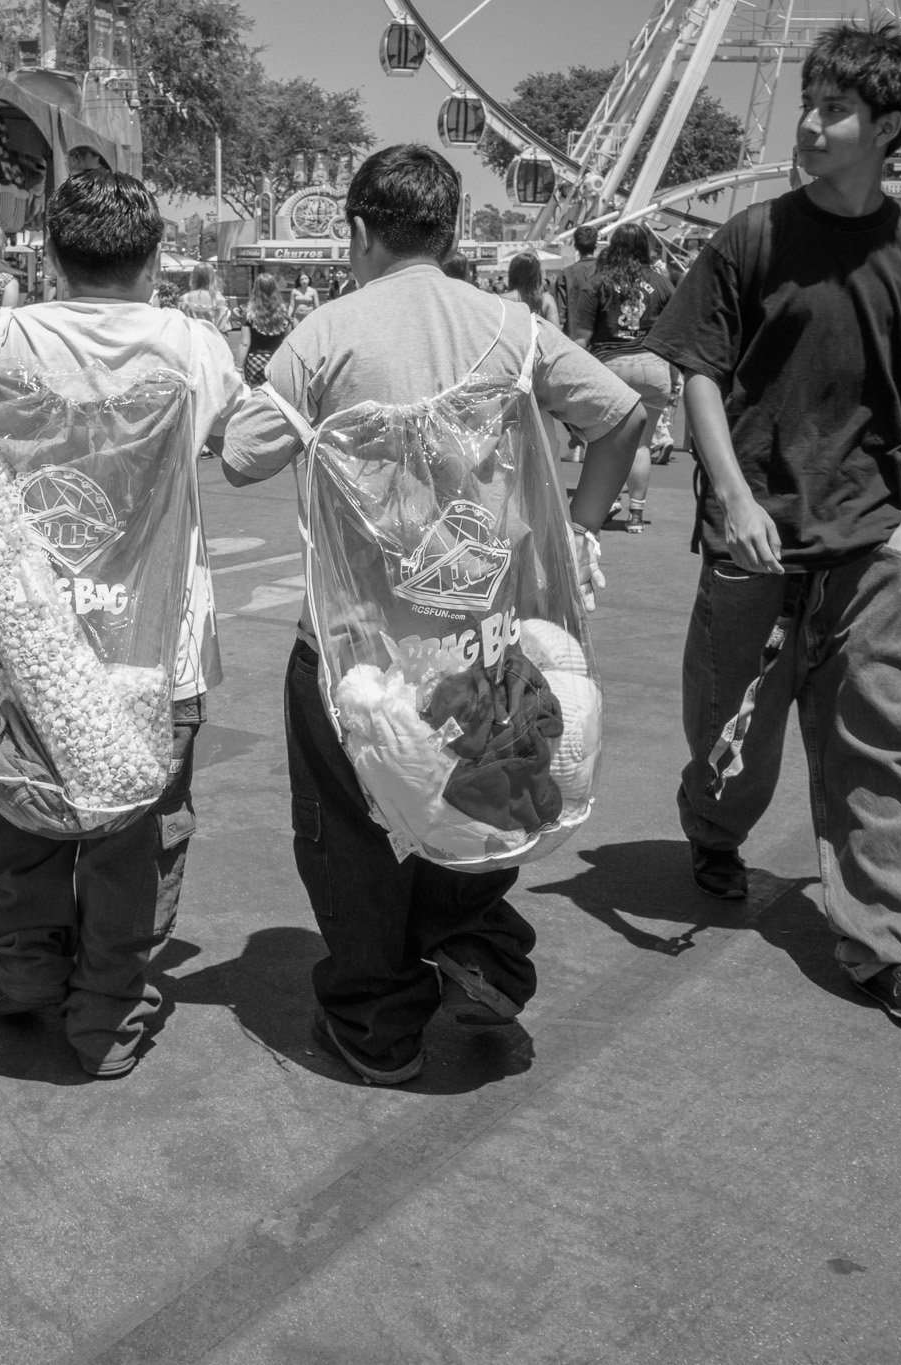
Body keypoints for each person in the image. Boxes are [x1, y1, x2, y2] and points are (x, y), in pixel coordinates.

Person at [222, 144, 644, 1085]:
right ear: (450, 236)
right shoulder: (513, 325)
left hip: (353, 650)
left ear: (359, 232)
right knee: (478, 790)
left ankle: (379, 1028)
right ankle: (478, 949)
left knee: (348, 830)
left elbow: (243, 456)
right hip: (484, 640)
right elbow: (621, 415)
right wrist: (578, 526)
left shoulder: (328, 332)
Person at [643, 21, 901, 1026]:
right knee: (729, 731)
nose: (810, 126)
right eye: (808, 105)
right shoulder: (750, 238)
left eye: (833, 111)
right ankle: (711, 822)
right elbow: (692, 368)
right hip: (754, 533)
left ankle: (893, 943)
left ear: (885, 128)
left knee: (881, 736)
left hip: (872, 540)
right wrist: (730, 494)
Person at [0, 169, 245, 1080]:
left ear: (54, 256)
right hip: (155, 645)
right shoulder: (189, 342)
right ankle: (106, 1013)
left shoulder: (3, 334)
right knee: (137, 827)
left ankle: (27, 968)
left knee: (18, 800)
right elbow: (239, 442)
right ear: (153, 260)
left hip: (27, 641)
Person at [587, 223, 677, 533]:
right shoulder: (663, 284)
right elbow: (677, 335)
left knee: (605, 443)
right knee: (642, 445)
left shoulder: (598, 282)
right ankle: (636, 516)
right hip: (653, 366)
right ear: (645, 247)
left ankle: (601, 505)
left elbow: (582, 336)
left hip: (611, 367)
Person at [241, 270, 292, 386]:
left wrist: (238, 367)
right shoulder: (283, 312)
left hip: (254, 362)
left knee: (255, 396)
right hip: (276, 360)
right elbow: (288, 341)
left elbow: (244, 343)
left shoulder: (249, 313)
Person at [556, 222, 601, 346]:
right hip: (604, 343)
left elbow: (560, 316)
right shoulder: (608, 271)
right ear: (596, 245)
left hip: (576, 343)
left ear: (575, 246)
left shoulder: (566, 274)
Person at [504, 250, 558, 326]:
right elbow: (555, 333)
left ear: (512, 275)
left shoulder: (502, 300)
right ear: (537, 275)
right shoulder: (546, 300)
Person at [177, 262, 229, 331]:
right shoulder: (219, 300)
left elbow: (180, 329)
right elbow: (223, 331)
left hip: (191, 340)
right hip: (212, 340)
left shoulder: (184, 299)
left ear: (193, 278)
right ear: (212, 277)